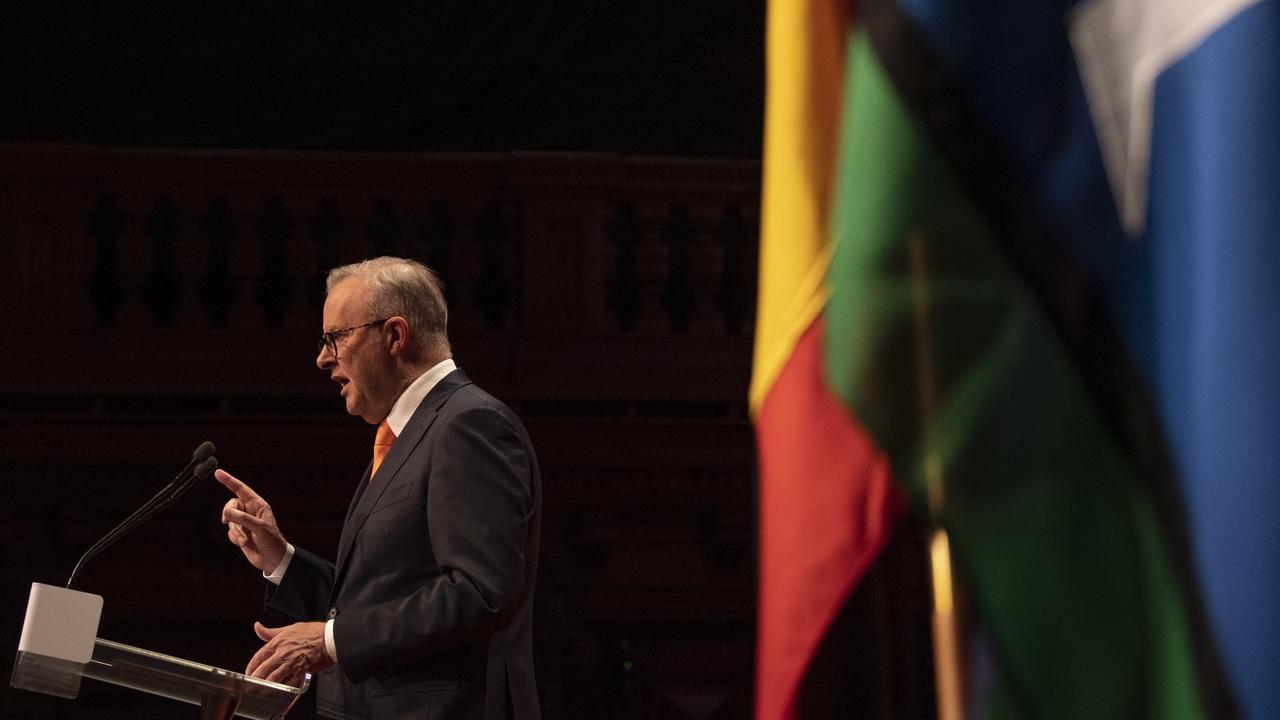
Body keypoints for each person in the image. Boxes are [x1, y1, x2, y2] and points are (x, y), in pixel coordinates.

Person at [216, 256, 542, 719]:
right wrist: (282, 560)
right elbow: (375, 601)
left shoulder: (469, 424)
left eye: (336, 338)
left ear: (395, 335)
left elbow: (481, 593)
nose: (323, 357)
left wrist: (328, 642)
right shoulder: (407, 433)